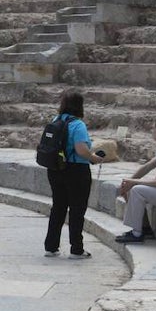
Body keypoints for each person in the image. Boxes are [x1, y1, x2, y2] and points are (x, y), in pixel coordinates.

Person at [42, 89, 104, 260]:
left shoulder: (56, 120)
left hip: (55, 169)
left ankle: (51, 246)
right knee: (77, 210)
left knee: (58, 207)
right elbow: (81, 149)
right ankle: (76, 249)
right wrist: (94, 158)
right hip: (77, 170)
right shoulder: (78, 125)